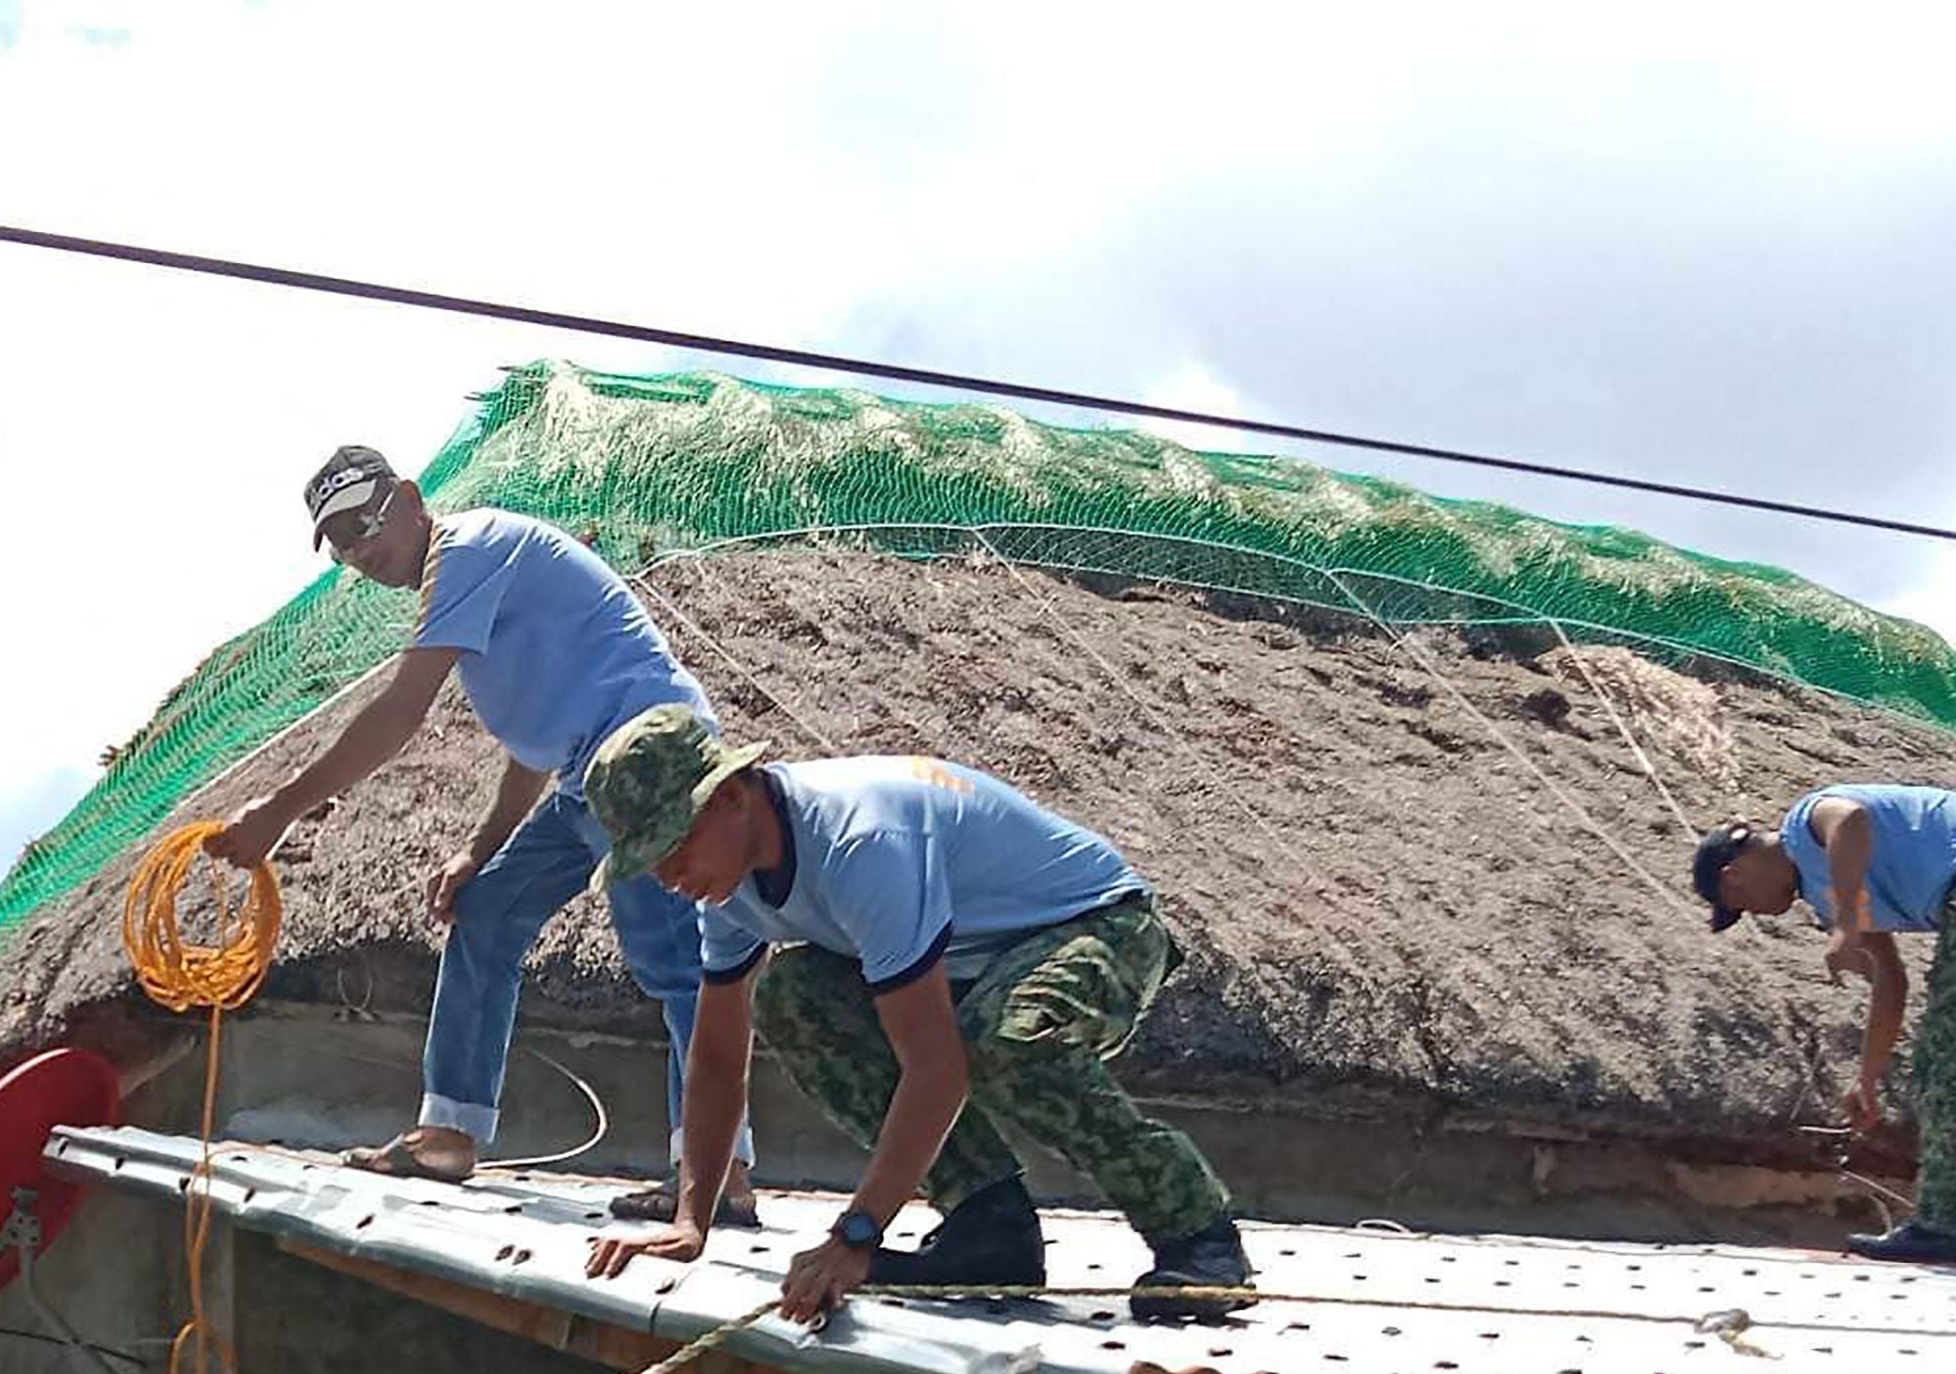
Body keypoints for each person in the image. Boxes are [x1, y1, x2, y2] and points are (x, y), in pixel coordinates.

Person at [208, 443, 754, 1229]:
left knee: (675, 961)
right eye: (339, 541)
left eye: (365, 522)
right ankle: (448, 1131)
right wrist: (479, 851)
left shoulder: (471, 547)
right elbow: (533, 750)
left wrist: (276, 813)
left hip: (651, 760)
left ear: (408, 495)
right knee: (488, 910)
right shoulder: (462, 587)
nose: (358, 549)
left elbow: (399, 713)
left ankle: (720, 1172)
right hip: (581, 780)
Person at [574, 703, 1254, 1325]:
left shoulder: (859, 842)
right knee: (793, 996)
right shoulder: (728, 892)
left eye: (673, 847)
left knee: (1004, 1038)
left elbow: (937, 1068)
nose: (667, 877)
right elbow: (719, 1060)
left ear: (729, 796)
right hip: (969, 963)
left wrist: (855, 1235)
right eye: (649, 862)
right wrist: (693, 1219)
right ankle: (988, 1228)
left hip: (1100, 927)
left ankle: (1199, 1237)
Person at [1692, 784, 1956, 1273]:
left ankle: (1940, 1225)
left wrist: (1848, 926)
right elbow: (1890, 981)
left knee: (1949, 1059)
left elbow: (1850, 820)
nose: (1757, 913)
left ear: (1734, 876)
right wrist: (1869, 1080)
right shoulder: (1829, 895)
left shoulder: (1806, 821)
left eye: (1741, 904)